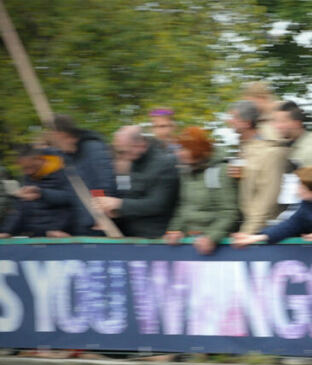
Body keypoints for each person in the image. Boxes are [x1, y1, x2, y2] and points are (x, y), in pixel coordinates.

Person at [231, 167, 312, 247]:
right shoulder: (306, 207)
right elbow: (289, 226)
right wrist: (256, 237)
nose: (296, 191)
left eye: (301, 188)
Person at [93, 125, 179, 238]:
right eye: (118, 152)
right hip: (130, 236)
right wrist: (114, 213)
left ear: (140, 145)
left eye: (123, 152)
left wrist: (118, 204)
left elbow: (157, 205)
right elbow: (130, 197)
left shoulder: (165, 164)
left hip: (153, 238)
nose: (120, 156)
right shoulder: (133, 161)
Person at [163, 127, 238, 255]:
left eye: (184, 148)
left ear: (198, 149)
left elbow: (229, 212)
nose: (179, 153)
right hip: (189, 242)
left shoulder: (219, 171)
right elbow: (183, 206)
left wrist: (211, 237)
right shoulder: (186, 171)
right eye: (179, 148)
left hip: (215, 246)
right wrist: (174, 230)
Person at [227, 100, 287, 234]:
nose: (230, 121)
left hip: (263, 230)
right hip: (246, 225)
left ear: (247, 123)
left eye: (234, 117)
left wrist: (247, 232)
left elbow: (267, 199)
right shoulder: (245, 148)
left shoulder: (271, 152)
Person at [49, 114, 116, 234]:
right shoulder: (68, 155)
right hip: (79, 222)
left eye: (53, 135)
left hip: (96, 224)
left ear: (61, 135)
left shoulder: (92, 148)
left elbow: (102, 182)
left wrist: (100, 215)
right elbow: (69, 193)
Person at [0, 145, 74, 238]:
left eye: (29, 167)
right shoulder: (29, 176)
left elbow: (71, 199)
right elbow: (20, 208)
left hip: (60, 234)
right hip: (36, 235)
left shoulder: (62, 171)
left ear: (38, 159)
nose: (27, 172)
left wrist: (42, 193)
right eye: (23, 168)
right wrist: (7, 231)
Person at [273, 100, 312, 170]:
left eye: (283, 121)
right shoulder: (286, 143)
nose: (277, 126)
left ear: (297, 123)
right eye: (276, 121)